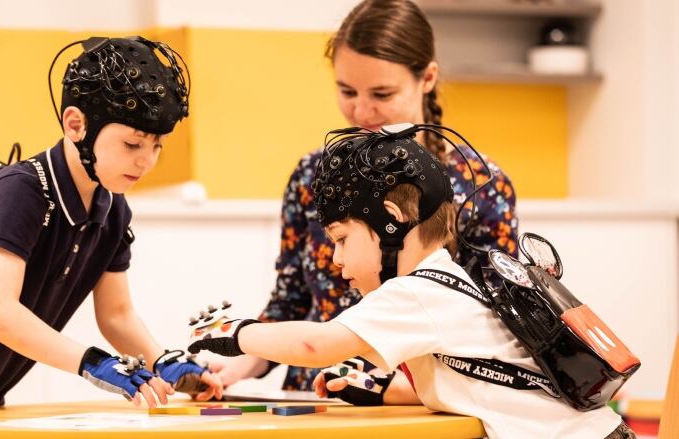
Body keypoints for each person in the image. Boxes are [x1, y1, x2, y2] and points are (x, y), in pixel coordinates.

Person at [188, 127, 634, 439]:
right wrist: (381, 390)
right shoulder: (449, 283)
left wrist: (238, 332)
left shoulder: (417, 292)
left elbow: (314, 346)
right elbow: (468, 387)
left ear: (392, 222)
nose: (336, 260)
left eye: (342, 240)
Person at [0, 36, 223, 414]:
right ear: (76, 124)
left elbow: (116, 315)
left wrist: (166, 365)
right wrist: (92, 363)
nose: (146, 161)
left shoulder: (113, 209)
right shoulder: (21, 190)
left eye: (157, 146)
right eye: (133, 145)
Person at [211, 0, 519, 390]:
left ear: (427, 78)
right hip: (317, 400)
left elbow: (498, 322)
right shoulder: (313, 174)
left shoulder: (480, 184)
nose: (361, 110)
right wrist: (232, 368)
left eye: (382, 93)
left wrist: (390, 387)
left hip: (422, 405)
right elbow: (290, 302)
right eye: (347, 90)